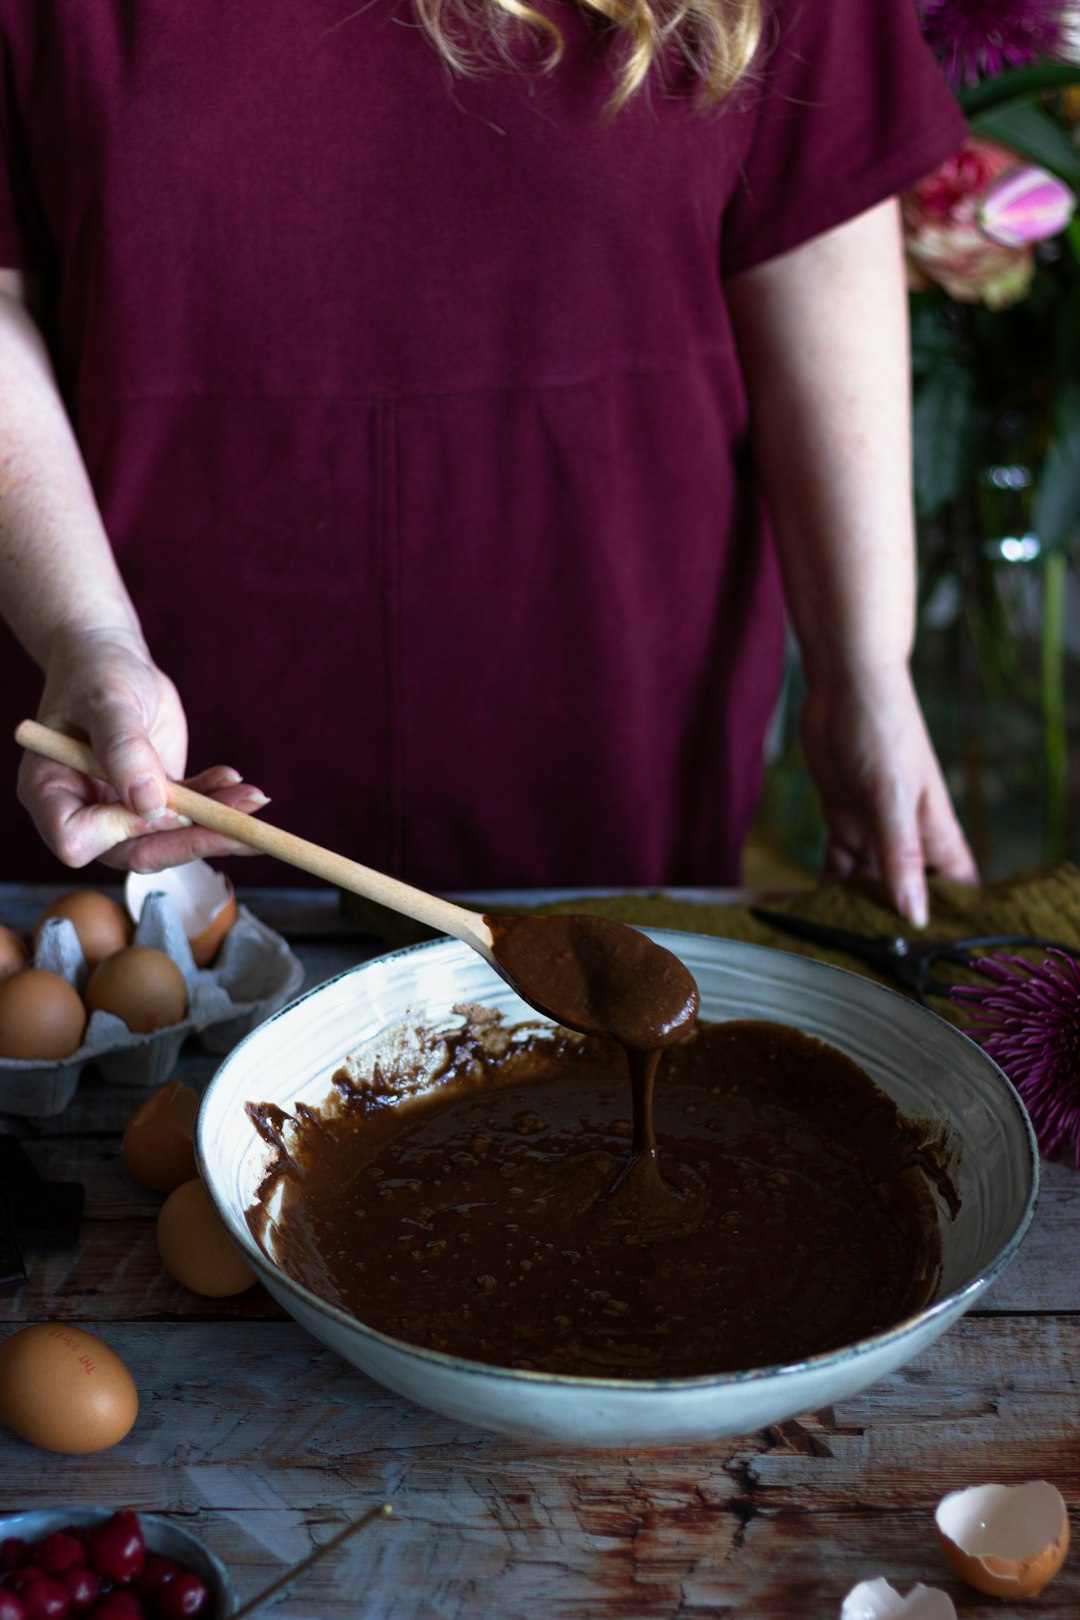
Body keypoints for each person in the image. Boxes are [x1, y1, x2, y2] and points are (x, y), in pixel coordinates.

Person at [0, 0, 977, 926]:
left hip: (614, 717)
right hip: (136, 718)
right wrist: (84, 628)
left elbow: (812, 237)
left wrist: (865, 669)